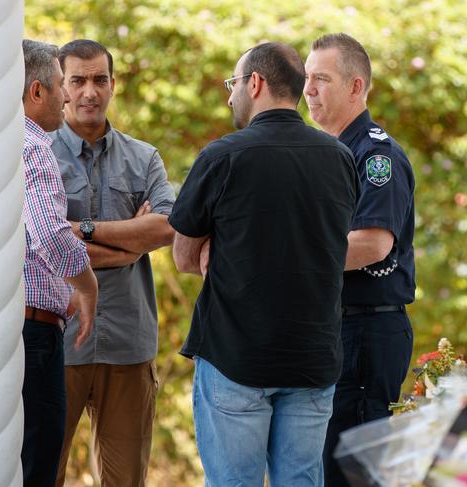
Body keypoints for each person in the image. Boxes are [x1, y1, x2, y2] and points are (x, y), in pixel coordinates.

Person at [169, 42, 360, 487]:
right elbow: (324, 243)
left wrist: (226, 250)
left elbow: (182, 256)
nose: (229, 95)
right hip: (313, 358)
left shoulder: (222, 156)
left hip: (237, 357)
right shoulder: (341, 159)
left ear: (254, 83)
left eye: (232, 84)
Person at [50, 39, 175, 487]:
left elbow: (165, 228)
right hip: (55, 342)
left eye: (99, 80)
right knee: (40, 474)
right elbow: (38, 243)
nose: (90, 91)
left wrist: (77, 231)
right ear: (60, 87)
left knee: (126, 481)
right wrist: (131, 246)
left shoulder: (144, 158)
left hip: (128, 341)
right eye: (78, 80)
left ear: (113, 85)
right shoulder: (36, 157)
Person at [303, 33, 416, 486]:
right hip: (332, 325)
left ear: (355, 87)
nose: (308, 89)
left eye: (321, 79)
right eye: (307, 78)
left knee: (353, 472)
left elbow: (372, 244)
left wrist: (290, 262)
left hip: (368, 331)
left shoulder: (375, 156)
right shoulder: (324, 154)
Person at [20, 39, 98, 487]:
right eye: (59, 86)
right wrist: (86, 286)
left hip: (18, 328)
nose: (68, 96)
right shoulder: (34, 146)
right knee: (38, 466)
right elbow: (51, 234)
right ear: (36, 92)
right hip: (34, 332)